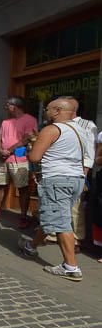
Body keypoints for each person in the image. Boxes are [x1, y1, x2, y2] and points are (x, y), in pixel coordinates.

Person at [19, 98, 85, 281]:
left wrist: (30, 149)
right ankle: (32, 246)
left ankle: (71, 267)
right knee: (55, 216)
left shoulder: (51, 129)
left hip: (57, 179)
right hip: (76, 179)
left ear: (57, 110)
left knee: (62, 222)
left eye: (47, 109)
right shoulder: (81, 130)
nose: (46, 112)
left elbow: (34, 157)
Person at [0, 96, 38, 228]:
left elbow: (27, 139)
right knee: (0, 185)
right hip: (2, 159)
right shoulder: (5, 122)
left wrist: (9, 150)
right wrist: (0, 150)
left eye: (7, 105)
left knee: (23, 188)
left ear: (14, 106)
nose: (5, 107)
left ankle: (23, 216)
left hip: (19, 159)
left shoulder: (29, 119)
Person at [67, 97, 97, 247]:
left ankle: (77, 238)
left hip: (77, 171)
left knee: (76, 206)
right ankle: (53, 234)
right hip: (60, 170)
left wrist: (84, 172)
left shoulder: (87, 125)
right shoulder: (59, 125)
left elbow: (90, 151)